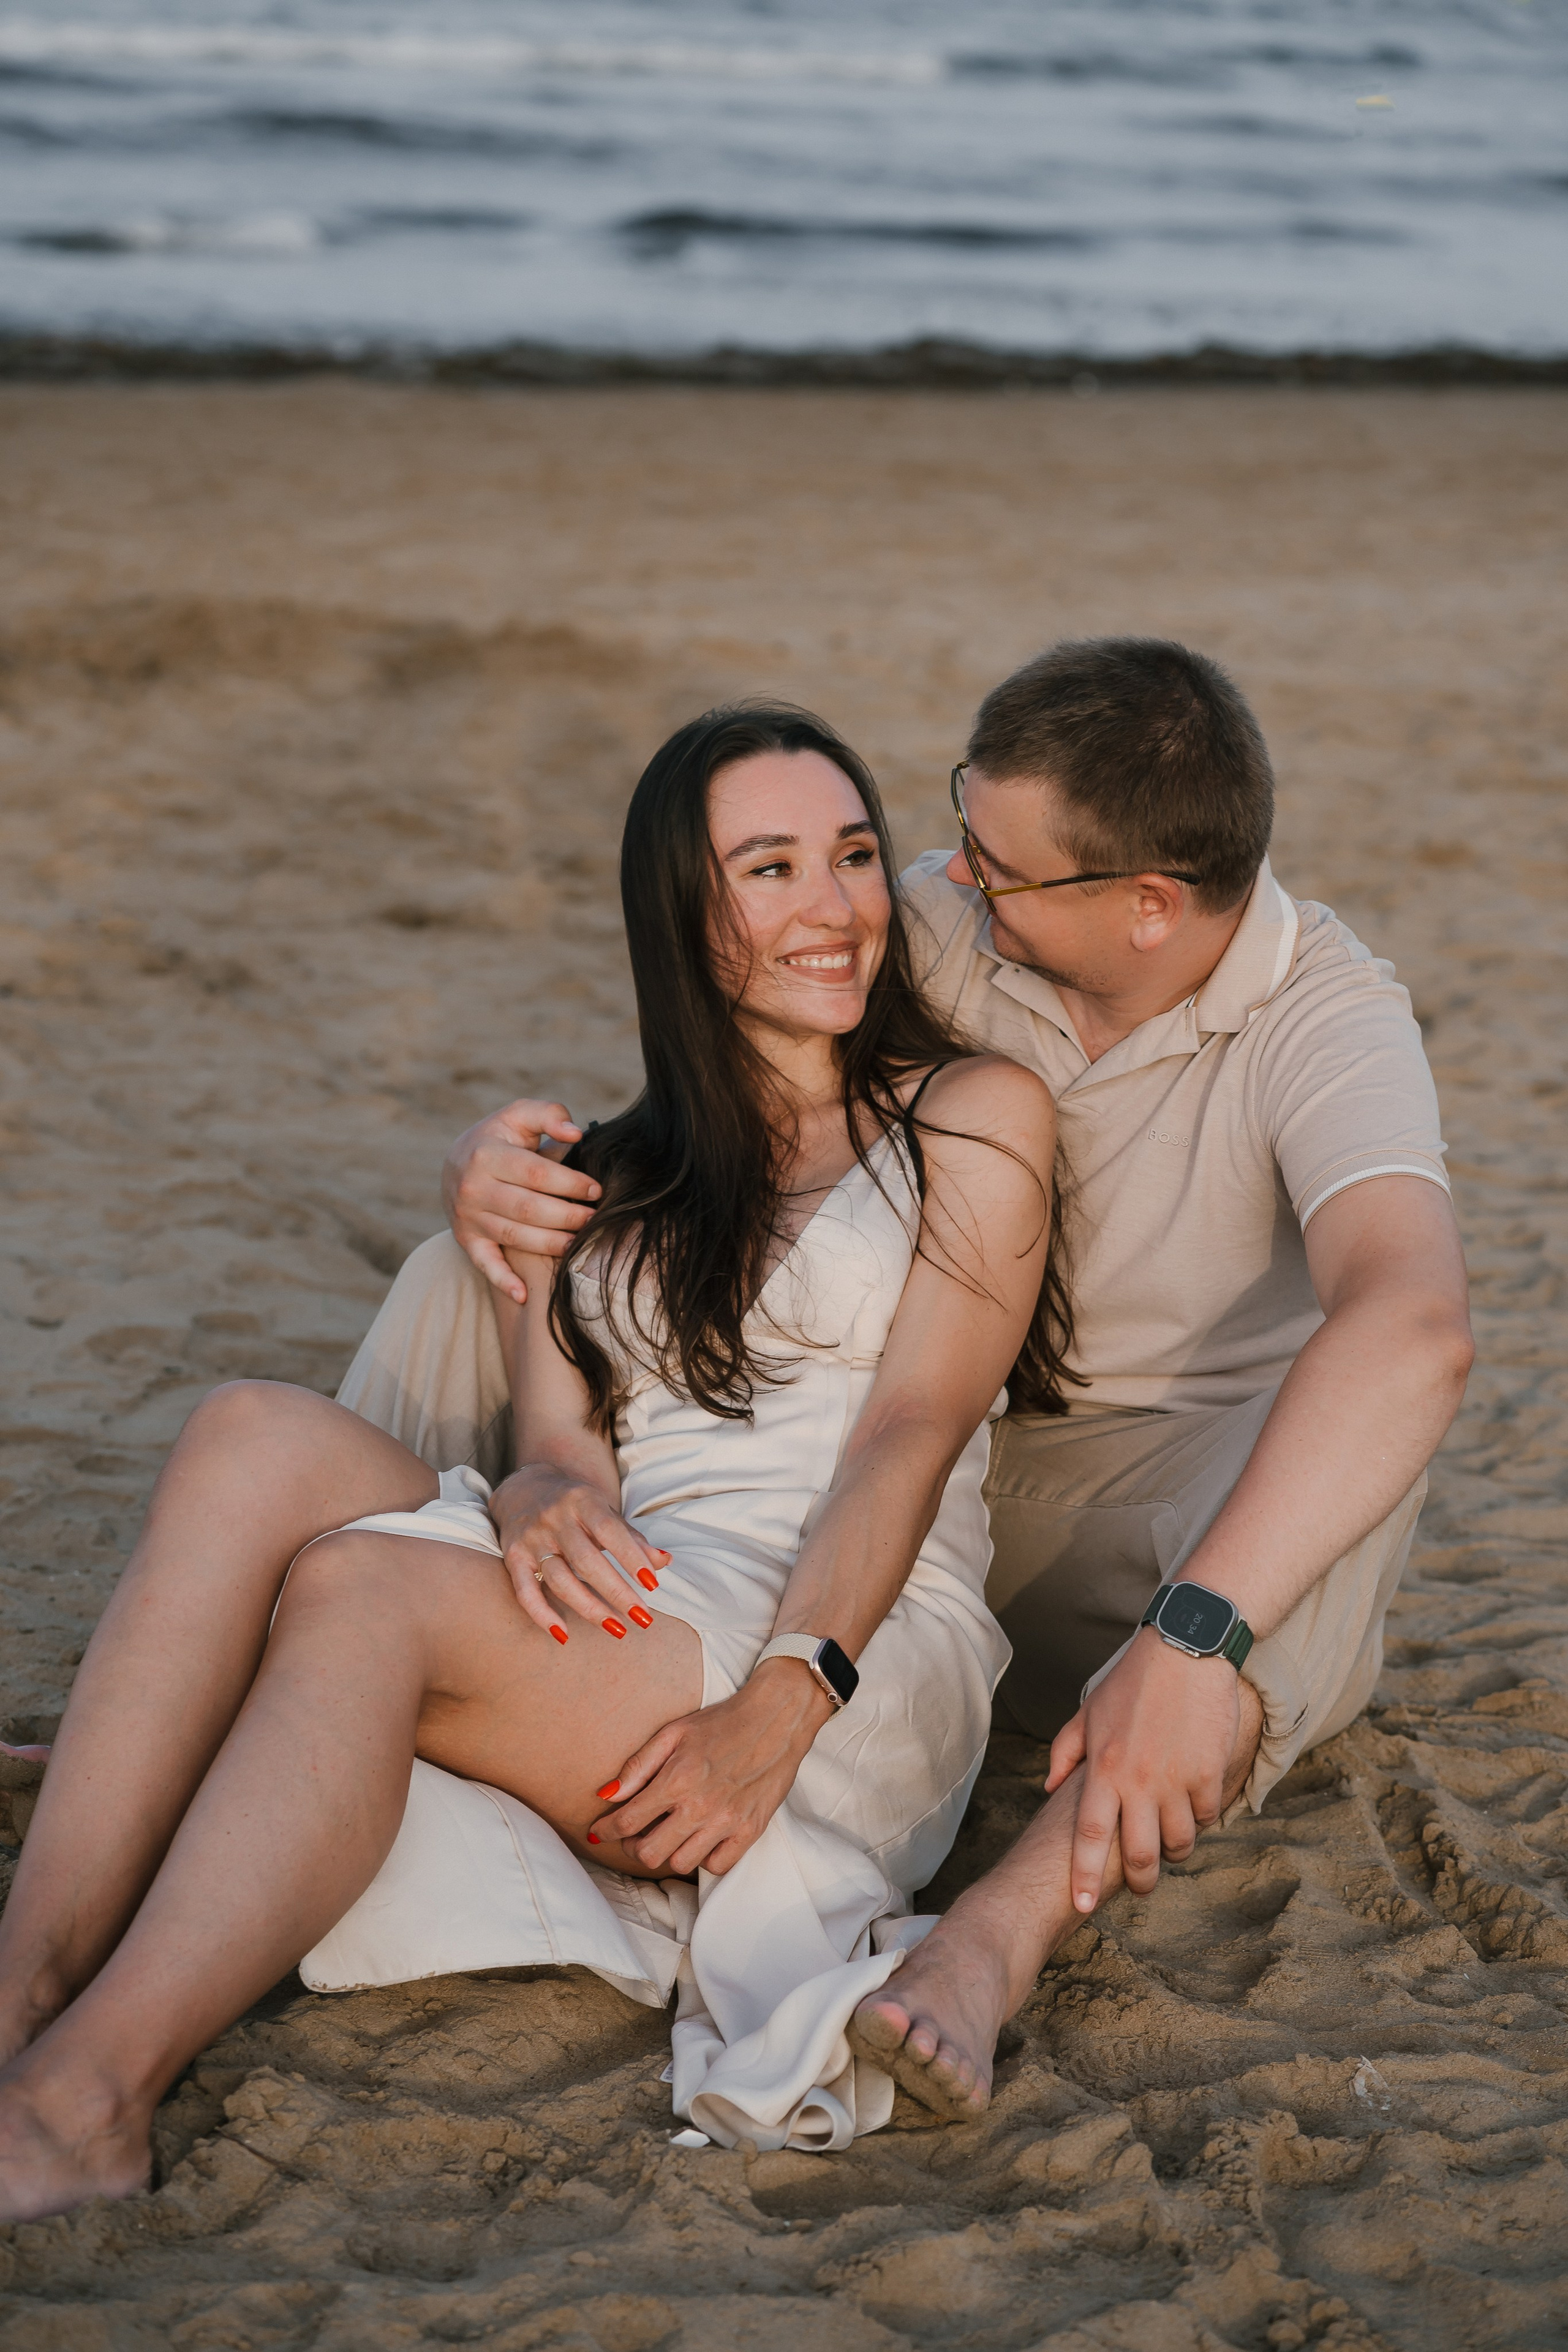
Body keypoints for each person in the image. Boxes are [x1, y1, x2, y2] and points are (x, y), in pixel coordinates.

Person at [0, 706, 1064, 2221]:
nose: (831, 907)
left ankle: (85, 2101)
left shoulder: (969, 1115)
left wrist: (782, 1700)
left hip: (844, 1643)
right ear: (682, 918)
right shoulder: (604, 1177)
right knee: (246, 1430)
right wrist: (542, 1483)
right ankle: (17, 1997)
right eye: (768, 868)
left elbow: (911, 1432)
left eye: (847, 855)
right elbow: (559, 1442)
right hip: (649, 1582)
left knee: (363, 1593)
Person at [393, 637, 1473, 2122]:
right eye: (958, 829)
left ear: (1146, 905)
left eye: (994, 862)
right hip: (920, 1454)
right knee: (500, 1251)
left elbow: (1412, 1321)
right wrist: (496, 1172)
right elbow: (727, 1072)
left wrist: (1191, 1632)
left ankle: (986, 1941)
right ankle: (278, 1646)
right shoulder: (955, 919)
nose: (943, 878)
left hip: (1148, 1503)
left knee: (1338, 1489)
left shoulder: (1327, 1018)